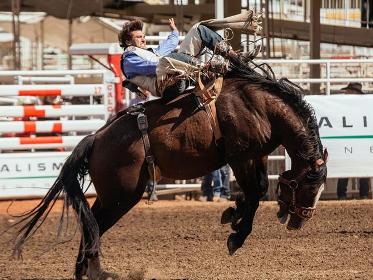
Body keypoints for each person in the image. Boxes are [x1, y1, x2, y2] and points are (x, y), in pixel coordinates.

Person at [118, 11, 261, 99]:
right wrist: (177, 65)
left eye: (143, 36)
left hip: (177, 71)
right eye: (138, 37)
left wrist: (174, 32)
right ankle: (217, 67)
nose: (143, 39)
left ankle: (234, 58)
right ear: (128, 41)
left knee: (198, 28)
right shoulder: (128, 60)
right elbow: (152, 67)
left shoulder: (149, 52)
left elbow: (168, 45)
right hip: (166, 86)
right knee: (166, 60)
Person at [337, 82, 370, 199]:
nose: (346, 93)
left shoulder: (361, 106)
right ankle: (347, 194)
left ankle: (360, 194)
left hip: (356, 139)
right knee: (348, 167)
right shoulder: (362, 106)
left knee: (361, 167)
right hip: (353, 139)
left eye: (349, 91)